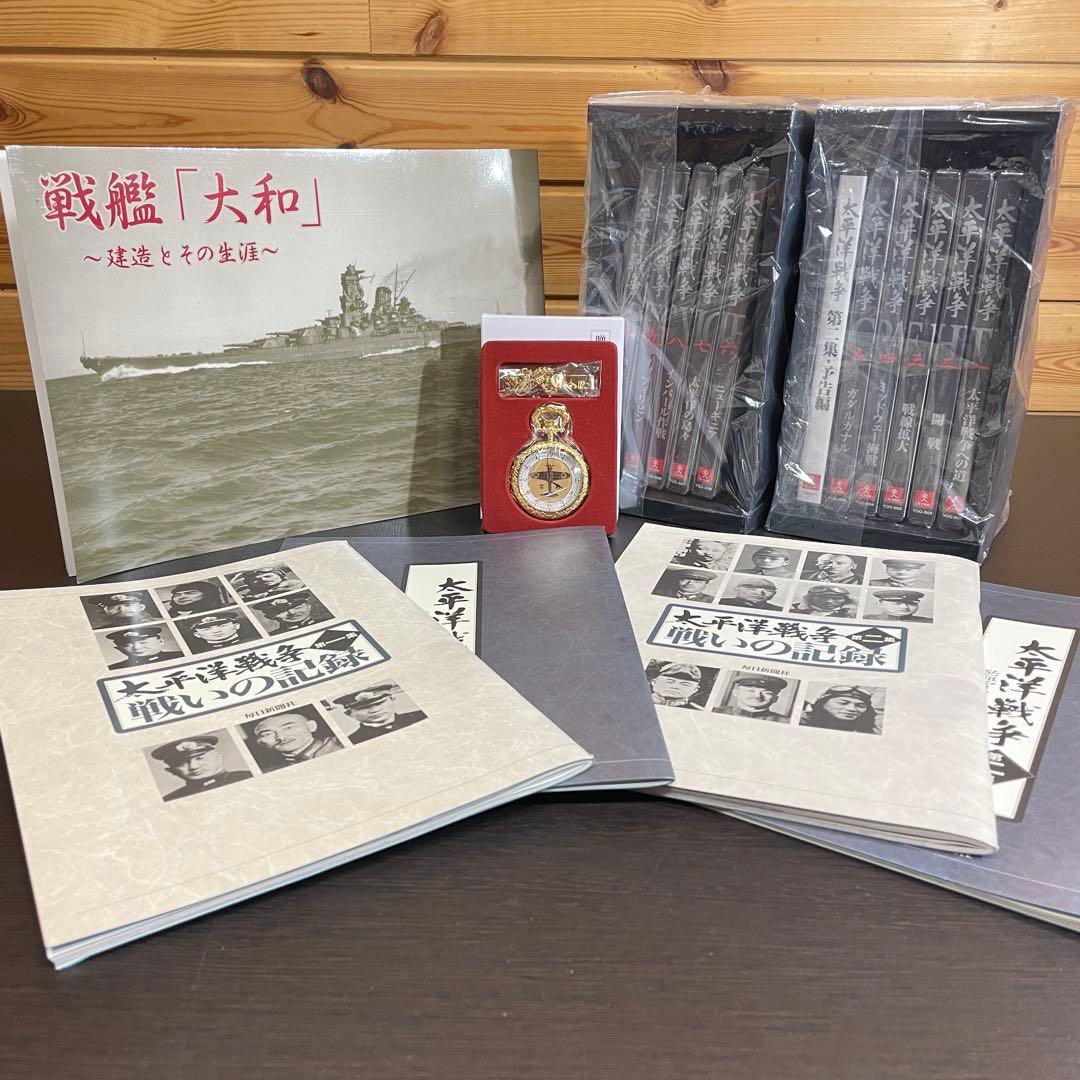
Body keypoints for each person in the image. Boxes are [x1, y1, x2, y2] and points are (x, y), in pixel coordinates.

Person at [151, 736, 251, 800]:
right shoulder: (170, 799)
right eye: (181, 763)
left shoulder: (249, 776)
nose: (194, 766)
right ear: (171, 770)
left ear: (218, 757)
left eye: (200, 758)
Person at [337, 684, 426, 744]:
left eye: (379, 703)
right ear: (349, 714)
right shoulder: (353, 741)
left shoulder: (421, 716)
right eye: (363, 707)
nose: (374, 710)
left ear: (393, 700)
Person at [249, 711, 341, 769]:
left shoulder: (339, 744)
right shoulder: (269, 770)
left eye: (288, 728)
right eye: (268, 734)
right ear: (259, 742)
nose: (280, 737)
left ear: (311, 726)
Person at [800, 686, 881, 734]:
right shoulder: (802, 722)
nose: (852, 709)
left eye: (860, 705)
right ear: (822, 704)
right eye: (843, 703)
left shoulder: (869, 728)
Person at [105, 626, 183, 669]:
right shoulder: (114, 668)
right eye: (127, 645)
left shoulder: (180, 655)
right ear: (118, 649)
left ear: (161, 642)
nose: (137, 647)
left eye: (143, 642)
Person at [720, 675, 790, 722]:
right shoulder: (717, 712)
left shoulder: (786, 722)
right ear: (736, 693)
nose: (758, 696)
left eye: (767, 693)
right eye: (751, 691)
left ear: (775, 698)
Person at [185, 610, 261, 652]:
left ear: (236, 626)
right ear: (197, 634)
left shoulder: (257, 641)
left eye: (222, 625)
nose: (216, 631)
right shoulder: (199, 653)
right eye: (206, 629)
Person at [254, 592, 329, 633]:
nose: (292, 612)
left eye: (297, 607)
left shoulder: (328, 622)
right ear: (270, 616)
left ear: (309, 606)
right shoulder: (273, 636)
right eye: (281, 611)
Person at [790, 584, 857, 618]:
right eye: (821, 597)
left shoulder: (853, 615)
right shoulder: (794, 611)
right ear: (810, 598)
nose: (829, 601)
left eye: (836, 598)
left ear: (847, 600)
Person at [868, 590, 933, 623]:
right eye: (896, 603)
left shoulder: (929, 621)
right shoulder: (867, 618)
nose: (904, 607)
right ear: (879, 604)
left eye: (911, 603)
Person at [718, 579, 783, 611]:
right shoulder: (721, 602)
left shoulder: (777, 609)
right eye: (752, 589)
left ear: (774, 593)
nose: (760, 593)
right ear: (737, 589)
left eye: (768, 591)